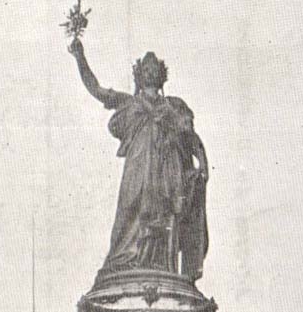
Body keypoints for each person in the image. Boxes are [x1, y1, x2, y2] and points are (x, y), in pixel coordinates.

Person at [69, 38, 209, 281]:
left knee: (167, 215)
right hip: (138, 169)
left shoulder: (175, 105)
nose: (151, 71)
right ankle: (124, 261)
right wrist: (80, 57)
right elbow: (97, 90)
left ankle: (163, 267)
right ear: (139, 75)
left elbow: (191, 138)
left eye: (155, 68)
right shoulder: (129, 103)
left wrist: (203, 163)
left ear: (162, 75)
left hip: (167, 171)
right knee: (130, 211)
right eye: (146, 68)